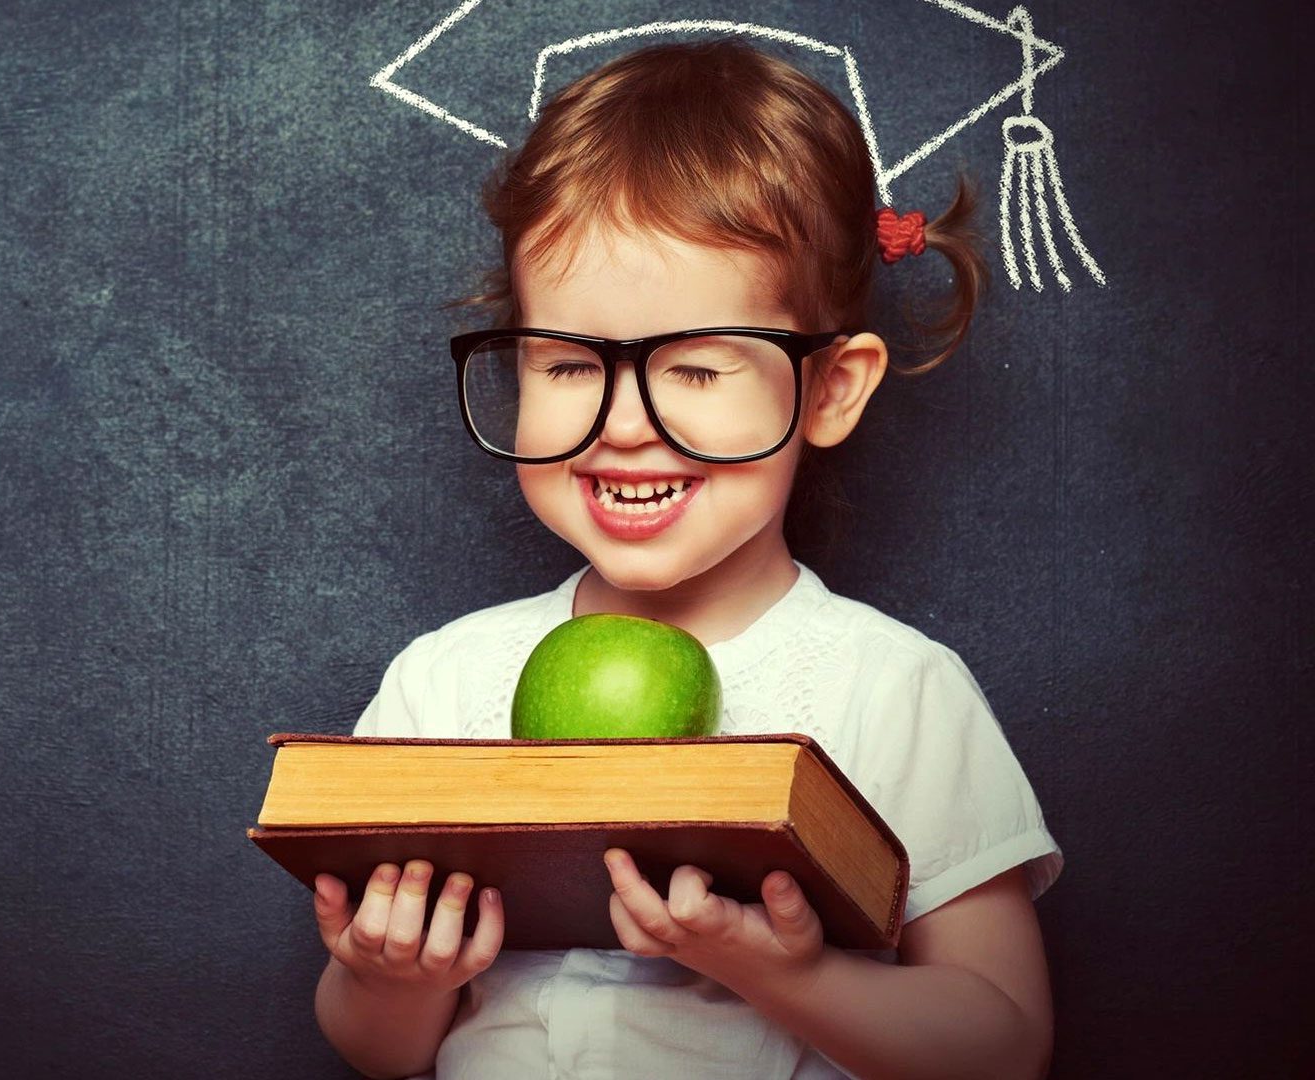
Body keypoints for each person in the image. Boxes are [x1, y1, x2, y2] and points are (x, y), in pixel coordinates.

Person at [308, 38, 1065, 1080]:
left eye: (699, 369)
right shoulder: (442, 683)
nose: (624, 425)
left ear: (832, 389)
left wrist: (785, 976)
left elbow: (1004, 1044)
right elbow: (375, 1049)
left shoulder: (896, 692)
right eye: (571, 363)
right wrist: (396, 978)